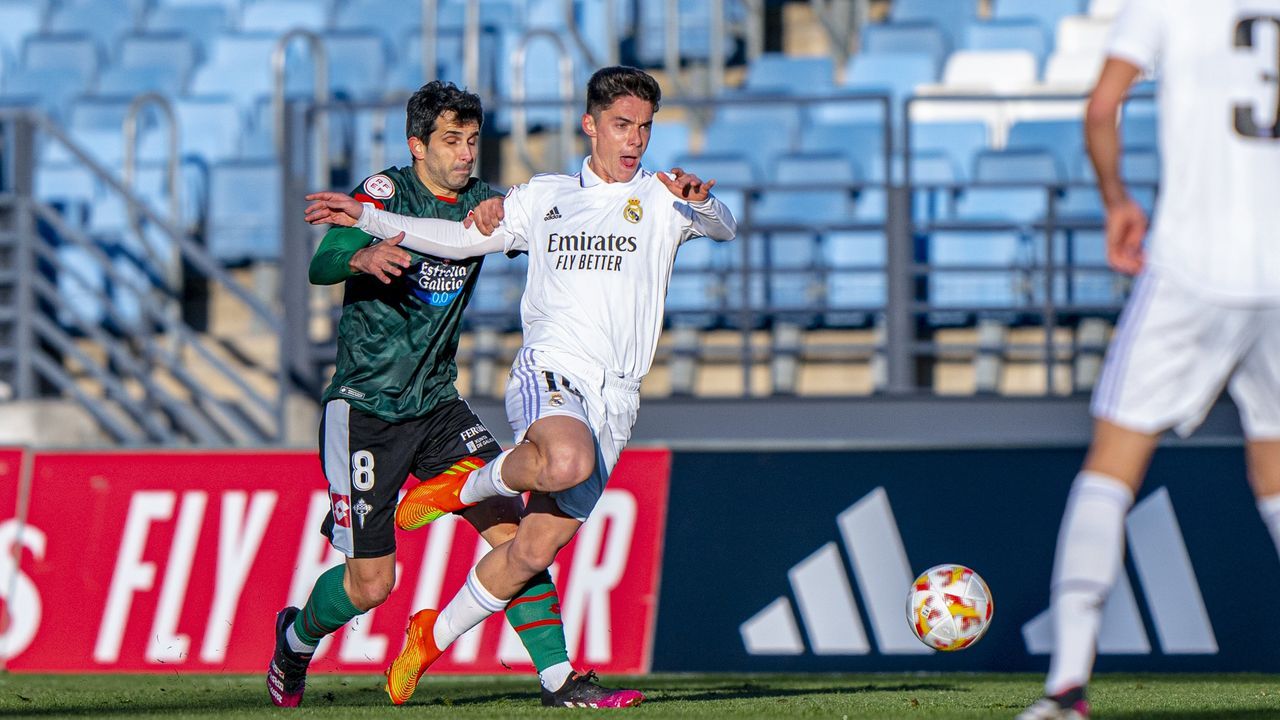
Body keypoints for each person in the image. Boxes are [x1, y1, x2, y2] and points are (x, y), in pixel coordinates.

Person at [304, 65, 736, 708]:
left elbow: (725, 227)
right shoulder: (544, 197)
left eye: (645, 127)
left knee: (531, 551)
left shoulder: (664, 199)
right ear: (590, 125)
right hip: (550, 371)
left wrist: (701, 203)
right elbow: (456, 240)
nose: (635, 139)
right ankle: (463, 490)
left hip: (618, 396)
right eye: (622, 125)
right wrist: (367, 220)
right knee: (564, 461)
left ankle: (436, 639)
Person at [267, 81, 583, 708]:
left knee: (514, 535)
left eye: (473, 141)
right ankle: (295, 641)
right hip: (365, 407)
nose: (466, 153)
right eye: (451, 141)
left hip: (438, 405)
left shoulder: (487, 204)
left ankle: (559, 678)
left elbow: (558, 224)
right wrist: (360, 261)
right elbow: (323, 261)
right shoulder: (385, 193)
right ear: (417, 146)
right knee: (371, 585)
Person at [1018, 1, 1280, 718]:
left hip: (1194, 264)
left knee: (1113, 465)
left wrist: (1116, 201)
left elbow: (1103, 106)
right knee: (1276, 474)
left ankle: (1067, 688)